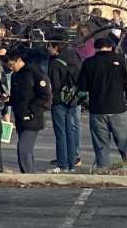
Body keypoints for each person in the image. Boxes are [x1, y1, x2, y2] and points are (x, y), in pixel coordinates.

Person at [76, 37, 127, 169]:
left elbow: (82, 88)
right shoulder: (122, 61)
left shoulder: (89, 63)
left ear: (96, 48)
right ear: (111, 47)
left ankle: (103, 170)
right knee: (125, 142)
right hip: (119, 108)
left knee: (101, 144)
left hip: (97, 109)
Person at [8, 49, 51, 173]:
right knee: (26, 150)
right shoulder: (15, 75)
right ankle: (29, 173)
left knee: (23, 149)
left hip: (32, 117)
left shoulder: (34, 73)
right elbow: (17, 96)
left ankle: (28, 175)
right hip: (20, 116)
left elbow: (45, 96)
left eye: (12, 65)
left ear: (19, 60)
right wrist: (8, 100)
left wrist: (32, 110)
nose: (11, 68)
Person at [47, 38, 83, 173]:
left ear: (55, 47)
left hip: (59, 101)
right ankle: (72, 163)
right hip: (72, 100)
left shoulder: (55, 63)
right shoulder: (73, 58)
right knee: (71, 132)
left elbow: (54, 86)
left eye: (49, 46)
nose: (48, 49)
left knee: (60, 133)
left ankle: (62, 164)